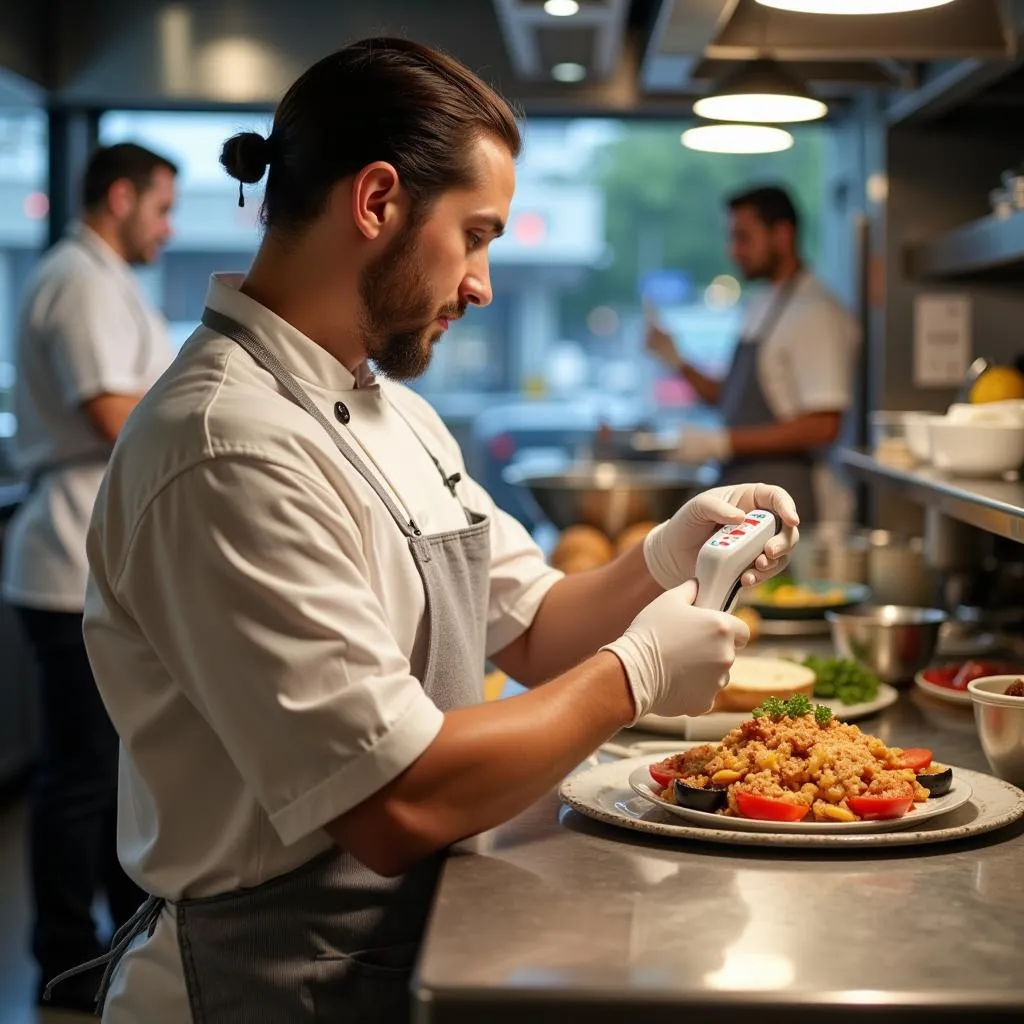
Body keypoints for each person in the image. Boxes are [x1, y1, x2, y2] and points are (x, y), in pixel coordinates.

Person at [56, 39, 798, 1022]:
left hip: (395, 943)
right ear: (376, 202)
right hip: (268, 978)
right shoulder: (223, 448)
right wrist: (633, 677)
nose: (484, 281)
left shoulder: (392, 407)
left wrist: (666, 554)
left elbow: (531, 629)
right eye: (476, 234)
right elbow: (394, 799)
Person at [1, 142, 177, 1011]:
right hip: (67, 552)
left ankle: (110, 946)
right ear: (119, 196)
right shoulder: (78, 280)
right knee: (81, 777)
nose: (168, 226)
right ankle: (68, 964)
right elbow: (113, 412)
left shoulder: (102, 276)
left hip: (88, 550)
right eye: (161, 207)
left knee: (103, 771)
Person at [645, 185, 858, 526]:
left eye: (743, 238)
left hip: (793, 499)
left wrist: (722, 441)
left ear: (782, 234)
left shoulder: (815, 312)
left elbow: (823, 425)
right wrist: (676, 360)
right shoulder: (764, 303)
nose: (733, 251)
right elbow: (730, 397)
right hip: (751, 498)